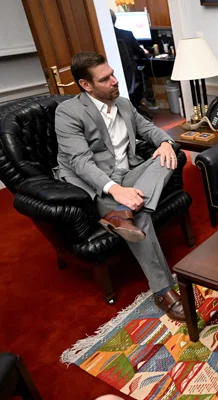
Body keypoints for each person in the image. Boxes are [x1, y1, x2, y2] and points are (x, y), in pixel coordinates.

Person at [54, 51, 185, 322]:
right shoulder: (68, 112)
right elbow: (80, 162)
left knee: (170, 156)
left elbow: (150, 129)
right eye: (106, 79)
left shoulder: (124, 104)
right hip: (98, 183)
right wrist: (116, 190)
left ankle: (121, 213)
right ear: (86, 85)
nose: (115, 81)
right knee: (141, 215)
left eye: (113, 74)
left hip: (130, 173)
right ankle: (163, 290)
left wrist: (163, 142)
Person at [110, 9, 151, 111]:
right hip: (130, 77)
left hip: (111, 79)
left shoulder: (100, 38)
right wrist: (144, 51)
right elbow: (141, 54)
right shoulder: (127, 35)